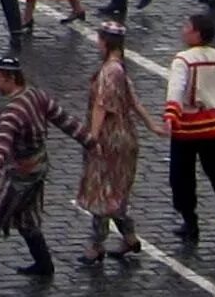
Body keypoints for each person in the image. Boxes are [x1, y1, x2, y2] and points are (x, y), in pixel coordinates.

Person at [0, 56, 66, 279]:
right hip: (39, 168)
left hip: (21, 176)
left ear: (11, 79)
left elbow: (2, 145)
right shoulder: (37, 95)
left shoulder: (12, 112)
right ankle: (44, 265)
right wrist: (91, 142)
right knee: (28, 219)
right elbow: (65, 120)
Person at [159, 13, 215, 244]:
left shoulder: (183, 59)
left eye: (187, 27)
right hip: (211, 126)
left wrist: (171, 112)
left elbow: (176, 88)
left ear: (197, 33)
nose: (183, 30)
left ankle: (190, 223)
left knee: (181, 176)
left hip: (186, 127)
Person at [72, 22, 145, 264]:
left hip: (109, 138)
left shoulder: (110, 71)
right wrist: (152, 124)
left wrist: (91, 137)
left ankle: (95, 245)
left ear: (105, 42)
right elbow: (133, 100)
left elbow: (101, 105)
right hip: (125, 137)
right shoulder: (120, 68)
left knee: (101, 192)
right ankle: (129, 236)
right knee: (116, 191)